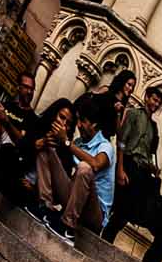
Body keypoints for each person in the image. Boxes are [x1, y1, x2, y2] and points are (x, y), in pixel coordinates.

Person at [34, 98, 115, 243]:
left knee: (85, 168)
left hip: (94, 215)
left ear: (94, 125)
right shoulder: (78, 144)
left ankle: (67, 228)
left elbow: (96, 164)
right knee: (47, 149)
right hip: (74, 201)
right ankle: (44, 208)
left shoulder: (106, 146)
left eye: (82, 121)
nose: (78, 125)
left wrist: (66, 142)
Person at [103, 85, 162, 241]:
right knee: (116, 205)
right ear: (147, 98)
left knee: (127, 212)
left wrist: (153, 168)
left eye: (158, 103)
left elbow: (148, 152)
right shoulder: (133, 114)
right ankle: (101, 235)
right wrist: (120, 169)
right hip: (128, 165)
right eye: (154, 100)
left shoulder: (154, 127)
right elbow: (122, 142)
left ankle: (107, 240)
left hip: (142, 173)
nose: (156, 105)